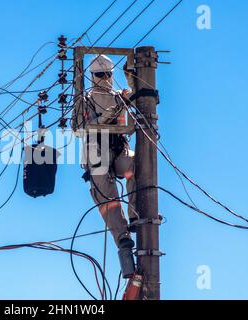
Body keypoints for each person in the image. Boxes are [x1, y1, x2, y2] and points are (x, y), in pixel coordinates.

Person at [82, 54, 138, 278]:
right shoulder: (84, 100)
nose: (104, 78)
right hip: (96, 150)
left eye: (108, 74)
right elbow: (81, 125)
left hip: (117, 149)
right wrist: (108, 114)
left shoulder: (119, 98)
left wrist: (129, 96)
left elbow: (131, 126)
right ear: (92, 76)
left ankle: (136, 216)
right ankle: (122, 236)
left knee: (135, 165)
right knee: (107, 194)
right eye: (100, 75)